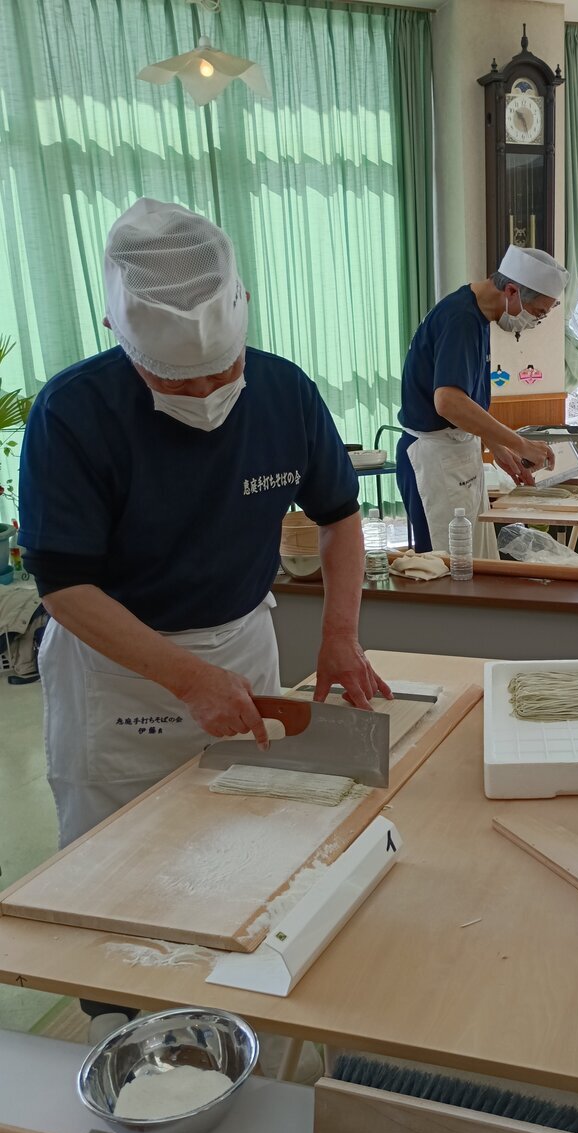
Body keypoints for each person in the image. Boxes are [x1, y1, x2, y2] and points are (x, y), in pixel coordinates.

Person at [18, 199, 389, 1031]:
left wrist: (338, 636)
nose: (207, 394)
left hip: (243, 645)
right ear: (121, 336)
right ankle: (135, 1032)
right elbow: (64, 587)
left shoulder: (285, 391)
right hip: (119, 673)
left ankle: (234, 1014)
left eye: (221, 373)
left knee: (245, 851)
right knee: (127, 880)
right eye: (178, 381)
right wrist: (186, 676)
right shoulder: (73, 414)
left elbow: (340, 517)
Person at [397, 246, 567, 558]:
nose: (534, 322)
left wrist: (496, 445)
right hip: (434, 458)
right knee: (450, 568)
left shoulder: (477, 315)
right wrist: (520, 444)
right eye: (539, 314)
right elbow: (448, 402)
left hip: (455, 451)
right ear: (512, 291)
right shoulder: (460, 319)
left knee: (476, 563)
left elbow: (466, 402)